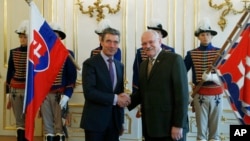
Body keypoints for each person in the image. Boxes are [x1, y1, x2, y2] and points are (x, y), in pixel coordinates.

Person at [128, 30, 189, 141]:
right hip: (150, 127)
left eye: (151, 42)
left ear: (160, 41)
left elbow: (182, 95)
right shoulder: (143, 65)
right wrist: (124, 100)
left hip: (170, 127)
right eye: (144, 43)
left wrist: (178, 125)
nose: (147, 46)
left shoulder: (174, 60)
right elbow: (143, 93)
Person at [80, 27, 130, 141]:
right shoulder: (90, 63)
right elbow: (90, 93)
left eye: (115, 42)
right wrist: (116, 98)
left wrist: (120, 122)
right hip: (95, 123)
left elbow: (120, 94)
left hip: (114, 123)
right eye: (108, 41)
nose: (112, 45)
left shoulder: (119, 66)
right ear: (101, 42)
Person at [184, 18, 223, 141]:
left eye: (207, 34)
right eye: (202, 34)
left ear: (211, 36)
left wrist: (213, 77)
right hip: (199, 94)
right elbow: (181, 72)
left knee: (215, 131)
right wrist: (186, 93)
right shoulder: (192, 53)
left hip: (217, 93)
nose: (205, 37)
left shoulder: (219, 53)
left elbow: (226, 74)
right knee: (201, 132)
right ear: (198, 37)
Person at [40, 22, 77, 141]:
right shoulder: (42, 54)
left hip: (59, 95)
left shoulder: (67, 54)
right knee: (47, 127)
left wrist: (67, 94)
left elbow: (72, 78)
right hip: (44, 95)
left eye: (54, 36)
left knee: (59, 127)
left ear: (60, 38)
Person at [132, 19, 175, 118]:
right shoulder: (140, 52)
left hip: (165, 98)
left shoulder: (171, 52)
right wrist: (136, 96)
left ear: (160, 37)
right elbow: (137, 74)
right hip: (146, 97)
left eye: (158, 32)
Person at [6, 20, 29, 141]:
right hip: (15, 89)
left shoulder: (34, 53)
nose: (22, 39)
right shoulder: (13, 52)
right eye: (21, 37)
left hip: (29, 90)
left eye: (25, 37)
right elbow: (10, 72)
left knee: (28, 118)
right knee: (19, 120)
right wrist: (7, 93)